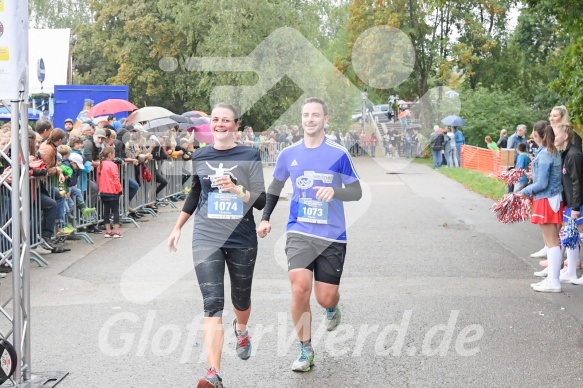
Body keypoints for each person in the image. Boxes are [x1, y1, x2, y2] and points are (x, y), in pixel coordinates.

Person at [256, 97, 362, 372]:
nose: (310, 119)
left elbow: (356, 191)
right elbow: (276, 186)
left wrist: (335, 191)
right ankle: (305, 350)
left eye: (316, 115)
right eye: (306, 114)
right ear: (301, 119)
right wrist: (265, 217)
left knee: (325, 296)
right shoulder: (288, 153)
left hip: (332, 234)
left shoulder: (339, 153)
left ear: (325, 120)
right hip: (299, 230)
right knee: (299, 287)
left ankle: (331, 307)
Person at [167, 103, 266, 388]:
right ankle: (214, 372)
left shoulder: (249, 154)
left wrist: (236, 189)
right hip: (206, 236)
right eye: (215, 119)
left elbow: (260, 200)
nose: (219, 124)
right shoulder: (201, 154)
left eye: (226, 120)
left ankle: (242, 329)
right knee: (212, 304)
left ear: (236, 125)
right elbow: (195, 193)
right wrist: (177, 228)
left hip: (241, 237)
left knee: (241, 299)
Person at [519, 121, 563, 293]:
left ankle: (553, 282)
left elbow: (543, 183)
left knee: (552, 242)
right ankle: (552, 279)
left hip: (546, 198)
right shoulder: (549, 151)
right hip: (550, 197)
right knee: (552, 242)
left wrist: (524, 191)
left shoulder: (545, 153)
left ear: (536, 135)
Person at [552, 123, 583, 285]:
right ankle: (571, 272)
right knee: (570, 236)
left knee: (581, 236)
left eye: (555, 135)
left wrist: (576, 207)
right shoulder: (564, 154)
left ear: (565, 137)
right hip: (570, 202)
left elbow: (578, 182)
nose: (553, 138)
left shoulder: (575, 155)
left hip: (577, 203)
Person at [97, 146, 124, 238]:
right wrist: (120, 191)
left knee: (106, 211)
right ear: (110, 155)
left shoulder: (100, 165)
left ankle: (108, 231)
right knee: (115, 210)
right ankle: (116, 231)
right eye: (114, 154)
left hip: (103, 191)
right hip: (113, 191)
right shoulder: (113, 165)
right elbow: (116, 179)